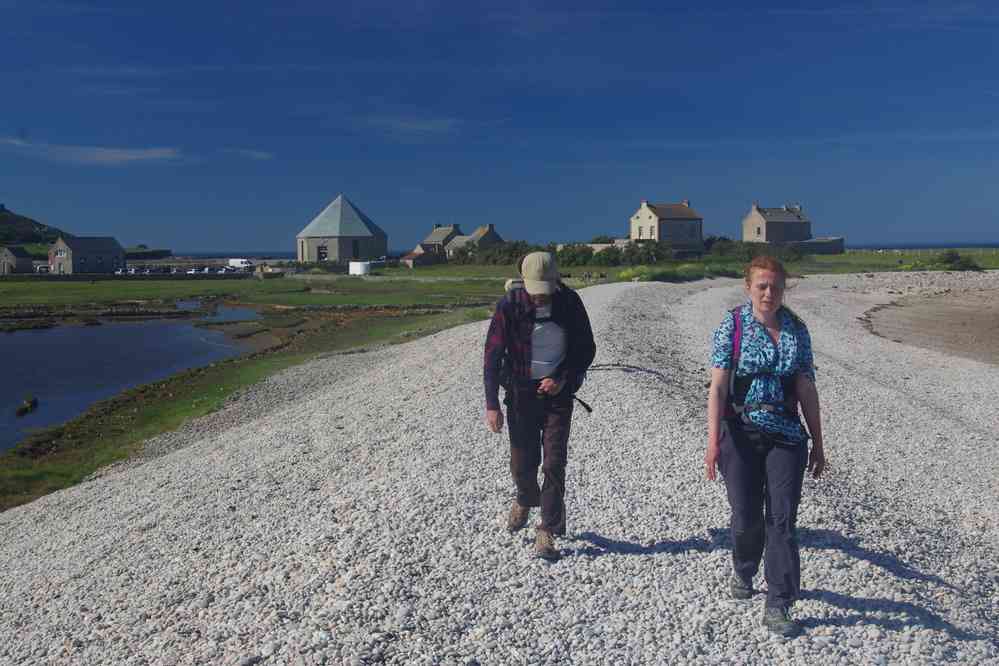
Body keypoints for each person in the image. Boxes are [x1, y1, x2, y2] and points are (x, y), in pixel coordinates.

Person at [704, 255, 826, 637]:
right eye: (762, 286)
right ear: (749, 287)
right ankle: (744, 569)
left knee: (783, 519)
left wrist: (819, 443)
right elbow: (718, 387)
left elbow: (806, 387)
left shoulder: (797, 330)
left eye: (775, 286)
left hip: (787, 434)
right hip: (739, 430)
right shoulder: (733, 324)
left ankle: (780, 602)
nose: (769, 293)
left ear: (784, 287)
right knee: (745, 516)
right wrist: (712, 443)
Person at [483, 252, 596, 561]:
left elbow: (587, 348)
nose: (539, 299)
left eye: (544, 292)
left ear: (556, 283)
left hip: (558, 396)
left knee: (554, 462)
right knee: (522, 463)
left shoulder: (570, 303)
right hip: (520, 393)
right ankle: (524, 496)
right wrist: (492, 404)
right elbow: (492, 355)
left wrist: (563, 378)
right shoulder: (510, 305)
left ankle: (547, 529)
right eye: (534, 292)